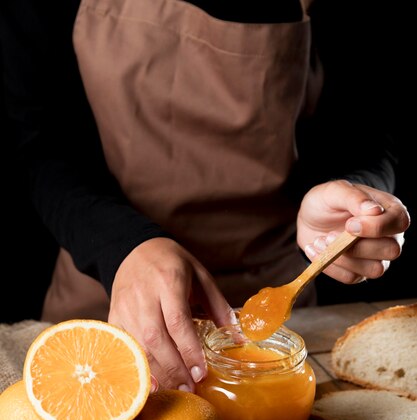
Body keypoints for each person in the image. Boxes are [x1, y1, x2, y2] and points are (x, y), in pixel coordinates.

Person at [0, 0, 410, 392]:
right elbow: (37, 142)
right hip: (101, 295)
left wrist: (354, 193)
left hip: (276, 302)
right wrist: (122, 246)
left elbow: (368, 125)